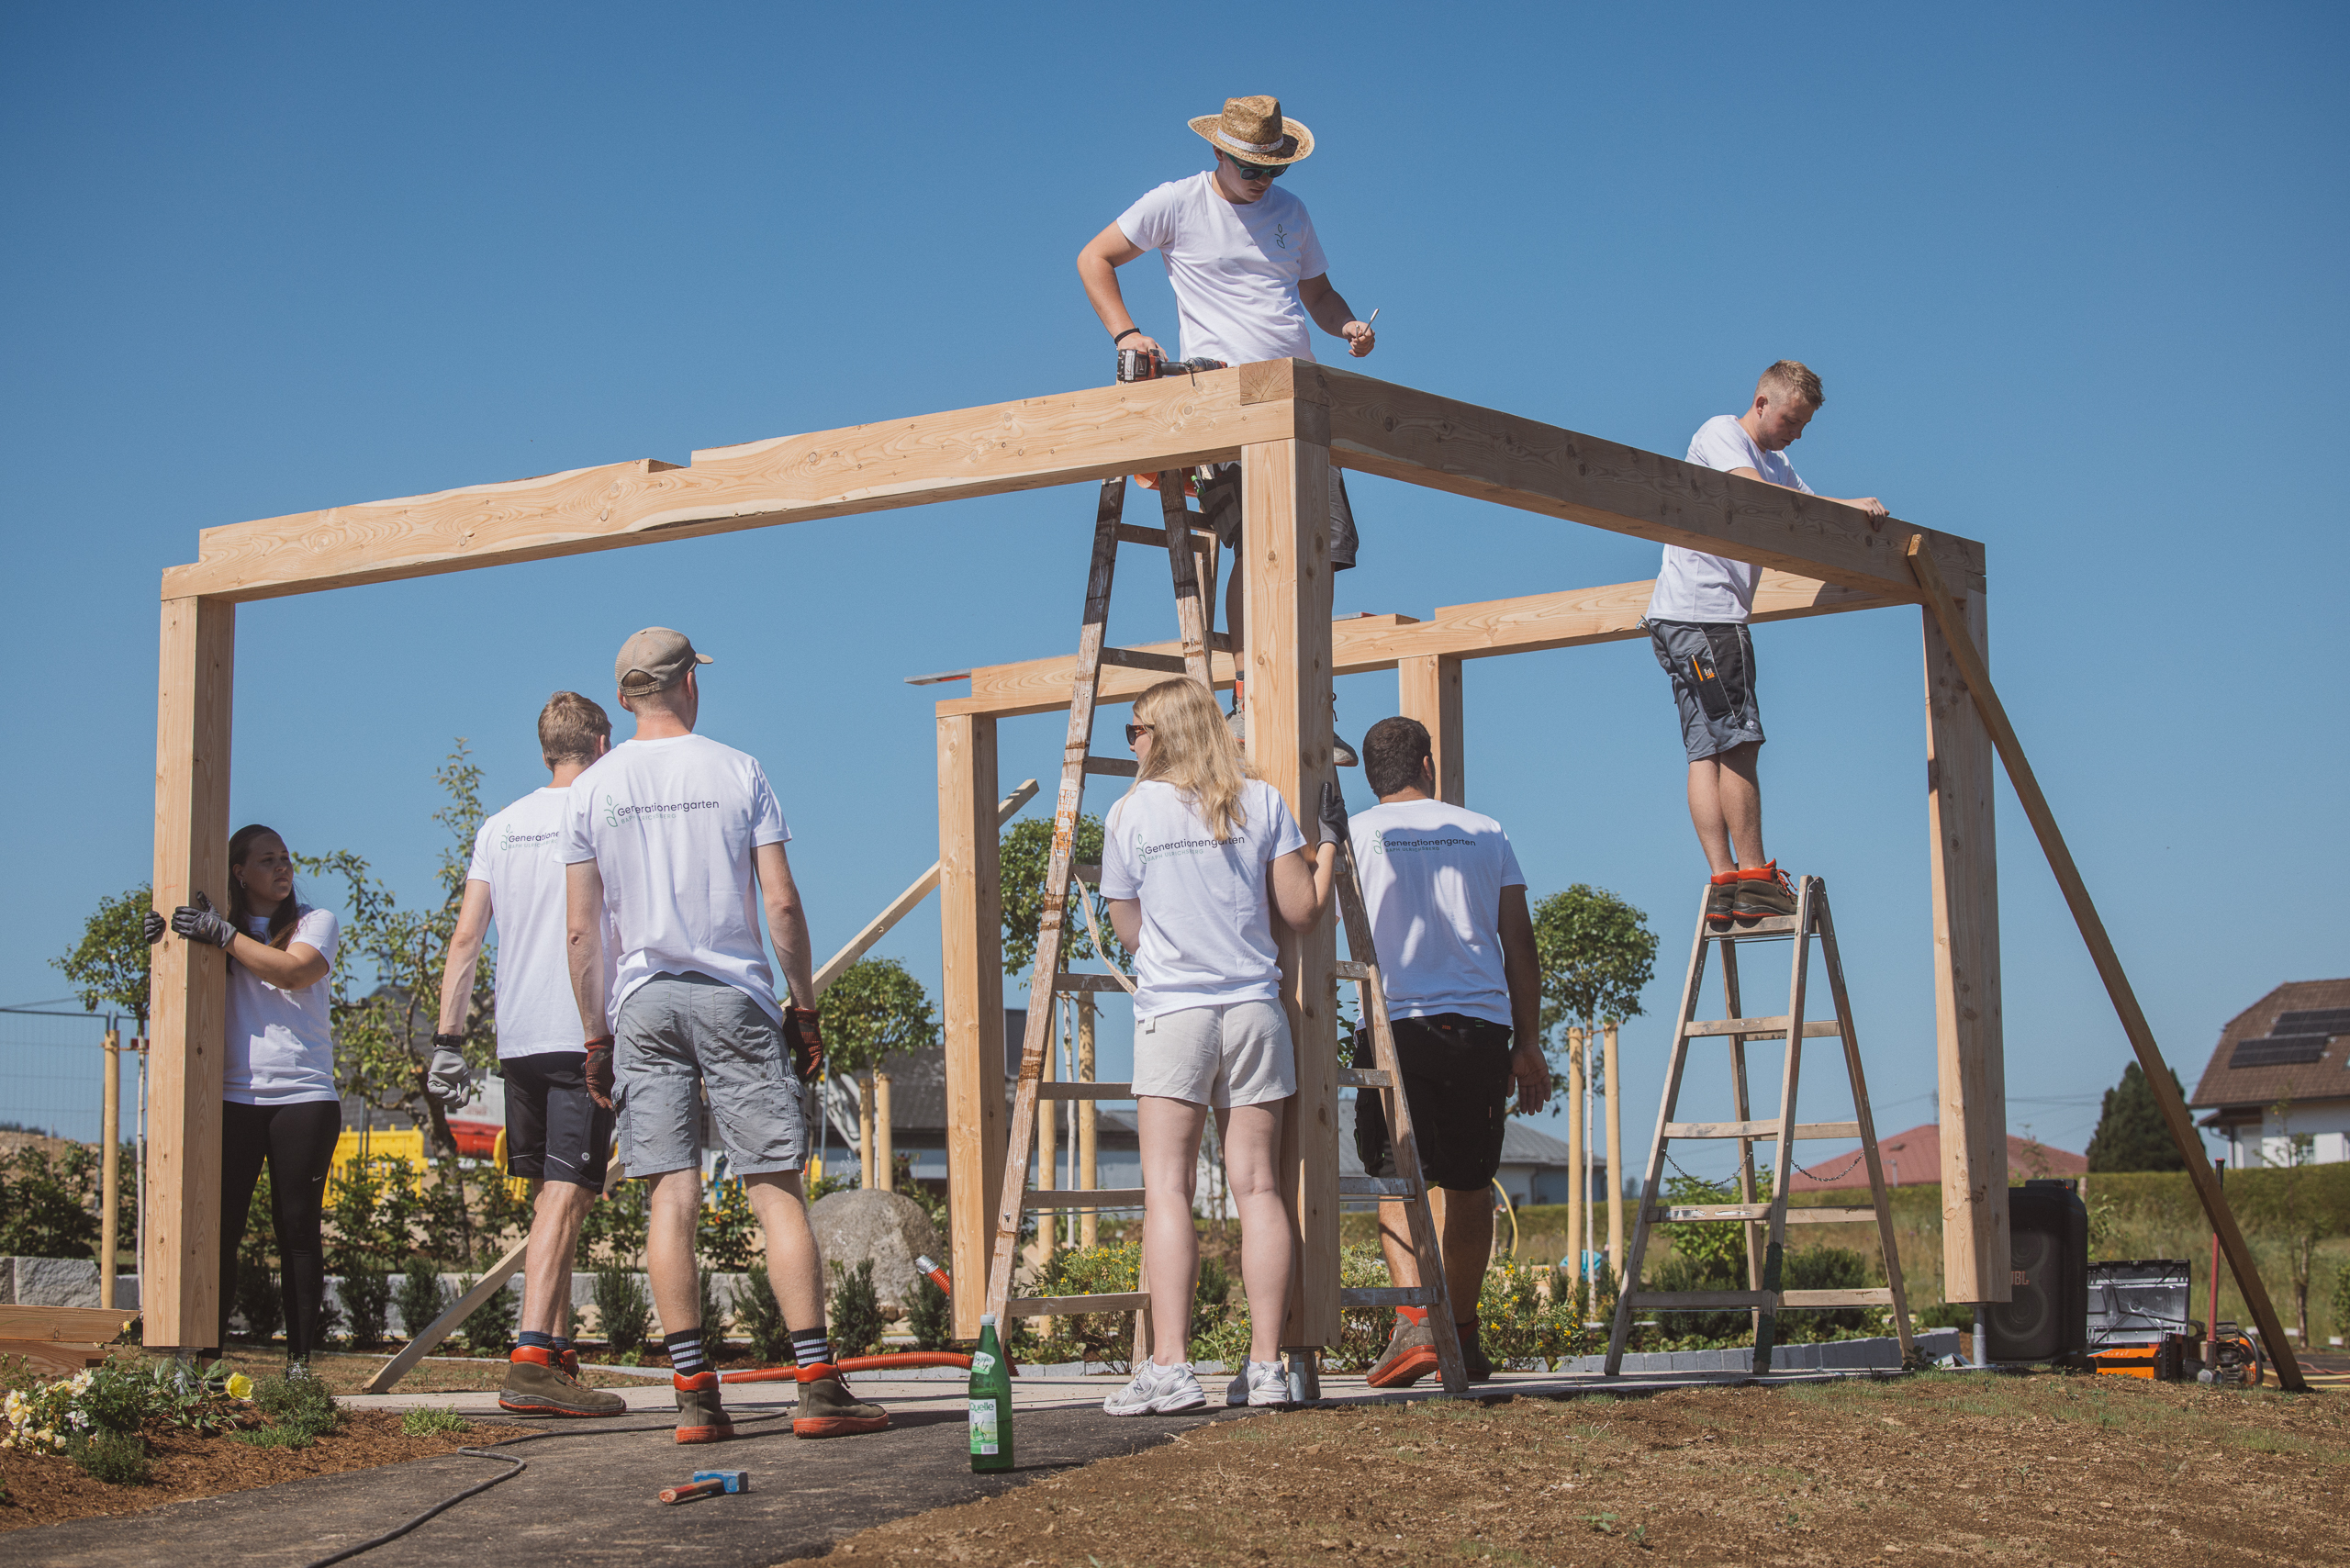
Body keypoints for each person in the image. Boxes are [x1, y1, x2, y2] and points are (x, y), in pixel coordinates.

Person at [560, 627, 886, 1445]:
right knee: (775, 1189)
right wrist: (802, 1008)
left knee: (670, 1196)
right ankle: (816, 1384)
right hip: (734, 996)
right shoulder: (739, 770)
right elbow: (781, 902)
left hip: (643, 1002)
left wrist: (596, 1036)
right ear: (689, 685)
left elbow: (581, 932)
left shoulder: (591, 791)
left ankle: (695, 1399)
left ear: (625, 696)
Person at [1078, 94, 1374, 766]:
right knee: (1258, 544)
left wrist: (1348, 325)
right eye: (1251, 168)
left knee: (1322, 548)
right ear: (1219, 152)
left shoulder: (1291, 213)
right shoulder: (1177, 203)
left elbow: (1318, 294)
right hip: (1226, 399)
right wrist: (1126, 333)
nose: (1263, 180)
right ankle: (1250, 697)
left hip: (1301, 402)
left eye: (1274, 169)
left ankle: (1311, 698)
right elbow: (1094, 257)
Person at [1096, 677, 1338, 1414]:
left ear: (1163, 733)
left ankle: (1172, 1367)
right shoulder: (1260, 801)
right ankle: (1266, 1367)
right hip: (1254, 1011)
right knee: (1258, 1188)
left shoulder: (1130, 813)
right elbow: (1302, 910)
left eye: (1136, 729)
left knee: (1168, 1189)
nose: (1131, 742)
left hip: (1175, 1013)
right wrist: (1330, 845)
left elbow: (1128, 929)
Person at [428, 691, 628, 1418]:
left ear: (545, 751)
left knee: (553, 1199)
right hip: (581, 1033)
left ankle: (559, 1356)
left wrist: (449, 1040)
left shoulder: (500, 826)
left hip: (518, 1040)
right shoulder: (602, 816)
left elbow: (465, 938)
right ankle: (532, 1357)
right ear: (602, 745)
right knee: (568, 1198)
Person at [1643, 361, 1888, 926]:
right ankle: (1754, 876)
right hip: (1707, 617)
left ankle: (1725, 879)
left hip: (1680, 620)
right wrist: (1835, 509)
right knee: (1740, 741)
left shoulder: (1777, 462)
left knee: (1706, 750)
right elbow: (1755, 495)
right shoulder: (1721, 434)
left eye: (1803, 425)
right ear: (1761, 403)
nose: (1796, 434)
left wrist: (1852, 509)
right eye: (1790, 421)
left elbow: (1810, 512)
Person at [1341, 718, 1549, 1387]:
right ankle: (1458, 1335)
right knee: (1468, 1185)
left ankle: (1415, 1327)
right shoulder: (1486, 830)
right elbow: (1519, 944)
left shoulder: (1354, 836)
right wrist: (1528, 1042)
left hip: (1394, 1026)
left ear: (1370, 774)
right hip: (1479, 1028)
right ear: (1427, 764)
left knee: (1394, 1177)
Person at [152, 826, 343, 1371]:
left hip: (303, 1097)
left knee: (297, 1229)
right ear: (239, 872)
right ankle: (205, 1362)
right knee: (219, 1230)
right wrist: (162, 942)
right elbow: (181, 984)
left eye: (286, 858)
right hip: (232, 1097)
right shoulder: (216, 931)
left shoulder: (314, 922)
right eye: (267, 860)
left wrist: (224, 934)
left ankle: (299, 1367)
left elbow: (294, 972)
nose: (282, 867)